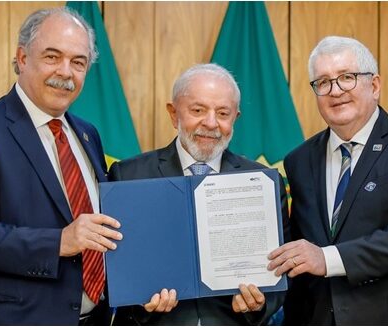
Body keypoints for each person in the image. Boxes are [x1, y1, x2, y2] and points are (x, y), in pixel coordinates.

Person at [0, 8, 122, 325]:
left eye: (78, 62)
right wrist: (60, 242)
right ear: (22, 58)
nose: (65, 72)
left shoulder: (88, 134)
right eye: (52, 56)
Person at [267, 36, 388, 325]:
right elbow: (299, 248)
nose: (335, 91)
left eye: (346, 78)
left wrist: (329, 258)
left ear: (374, 86)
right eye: (323, 82)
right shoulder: (298, 160)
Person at [109, 63, 288, 325]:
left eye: (223, 113)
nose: (211, 123)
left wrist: (258, 304)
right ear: (173, 114)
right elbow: (119, 268)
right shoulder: (128, 176)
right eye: (198, 110)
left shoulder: (264, 182)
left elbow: (281, 270)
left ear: (235, 118)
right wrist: (143, 304)